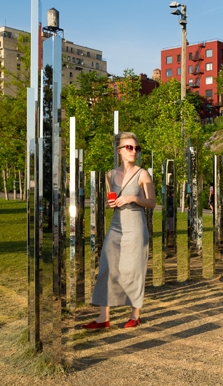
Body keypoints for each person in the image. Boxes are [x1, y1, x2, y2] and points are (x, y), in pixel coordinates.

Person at [82, 132, 156, 330]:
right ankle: (103, 318)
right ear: (119, 151)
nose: (134, 151)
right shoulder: (110, 174)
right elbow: (111, 200)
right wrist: (111, 203)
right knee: (107, 267)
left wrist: (133, 199)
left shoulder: (143, 174)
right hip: (116, 226)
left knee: (134, 270)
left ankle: (135, 314)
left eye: (136, 148)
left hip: (135, 227)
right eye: (129, 147)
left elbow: (152, 202)